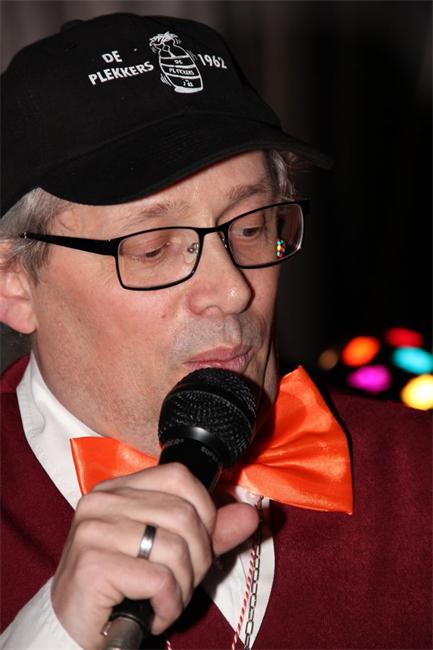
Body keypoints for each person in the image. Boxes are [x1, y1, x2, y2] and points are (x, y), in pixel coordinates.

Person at [0, 13, 430, 650]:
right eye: (152, 248)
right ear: (14, 282)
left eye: (251, 228)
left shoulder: (419, 475)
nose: (233, 290)